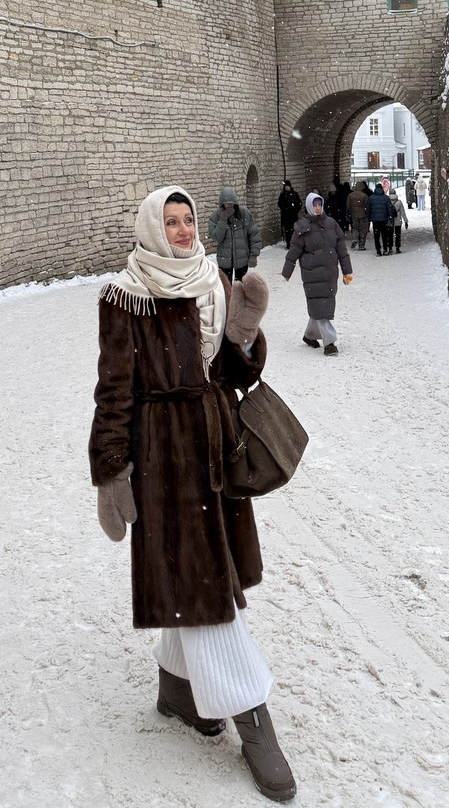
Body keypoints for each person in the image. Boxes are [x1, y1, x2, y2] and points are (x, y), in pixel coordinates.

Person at [90, 187, 297, 803]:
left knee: (197, 569)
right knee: (208, 587)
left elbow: (233, 376)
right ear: (152, 227)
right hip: (164, 455)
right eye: (170, 222)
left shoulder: (213, 281)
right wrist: (110, 470)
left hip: (212, 441)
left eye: (187, 220)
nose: (181, 231)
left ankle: (177, 689)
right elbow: (114, 389)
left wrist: (244, 335)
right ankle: (252, 714)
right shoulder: (126, 296)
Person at [283, 190, 353, 356]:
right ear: (308, 206)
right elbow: (294, 250)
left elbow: (341, 250)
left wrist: (347, 271)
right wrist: (287, 270)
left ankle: (309, 336)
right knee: (321, 307)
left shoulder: (331, 224)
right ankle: (330, 343)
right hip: (312, 274)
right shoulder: (302, 227)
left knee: (321, 306)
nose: (317, 207)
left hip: (330, 274)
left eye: (319, 204)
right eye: (314, 204)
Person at [208, 187, 262, 282]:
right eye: (226, 204)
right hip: (224, 260)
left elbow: (254, 234)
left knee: (240, 290)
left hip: (242, 260)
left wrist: (254, 254)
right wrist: (223, 220)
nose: (229, 206)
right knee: (226, 291)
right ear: (222, 204)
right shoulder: (216, 216)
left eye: (231, 203)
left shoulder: (244, 213)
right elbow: (217, 237)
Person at [276, 180, 301, 249]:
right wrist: (284, 208)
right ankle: (288, 244)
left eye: (288, 186)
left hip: (293, 215)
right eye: (286, 186)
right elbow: (279, 204)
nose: (287, 188)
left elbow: (299, 203)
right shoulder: (283, 195)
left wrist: (295, 210)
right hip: (286, 216)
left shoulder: (294, 194)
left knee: (293, 230)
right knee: (287, 230)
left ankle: (294, 243)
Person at [346, 179, 370, 250]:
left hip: (354, 214)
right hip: (363, 214)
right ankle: (361, 245)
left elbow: (348, 205)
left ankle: (355, 238)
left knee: (355, 228)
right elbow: (367, 205)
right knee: (363, 230)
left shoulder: (350, 195)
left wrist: (349, 212)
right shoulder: (364, 195)